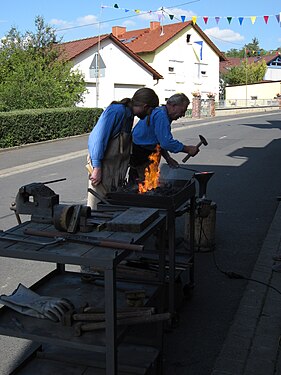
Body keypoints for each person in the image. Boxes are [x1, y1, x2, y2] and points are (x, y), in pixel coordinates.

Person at [87, 87, 159, 209]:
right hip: (102, 168)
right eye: (150, 111)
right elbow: (97, 138)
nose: (149, 115)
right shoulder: (117, 111)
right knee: (97, 208)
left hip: (115, 171)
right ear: (145, 106)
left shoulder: (129, 115)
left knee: (110, 208)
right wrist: (97, 167)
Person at [129, 93, 199, 183]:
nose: (183, 115)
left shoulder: (161, 112)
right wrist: (187, 149)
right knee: (142, 184)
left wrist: (168, 159)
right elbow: (166, 143)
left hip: (143, 150)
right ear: (173, 106)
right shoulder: (161, 115)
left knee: (145, 182)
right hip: (140, 153)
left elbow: (159, 141)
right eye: (182, 111)